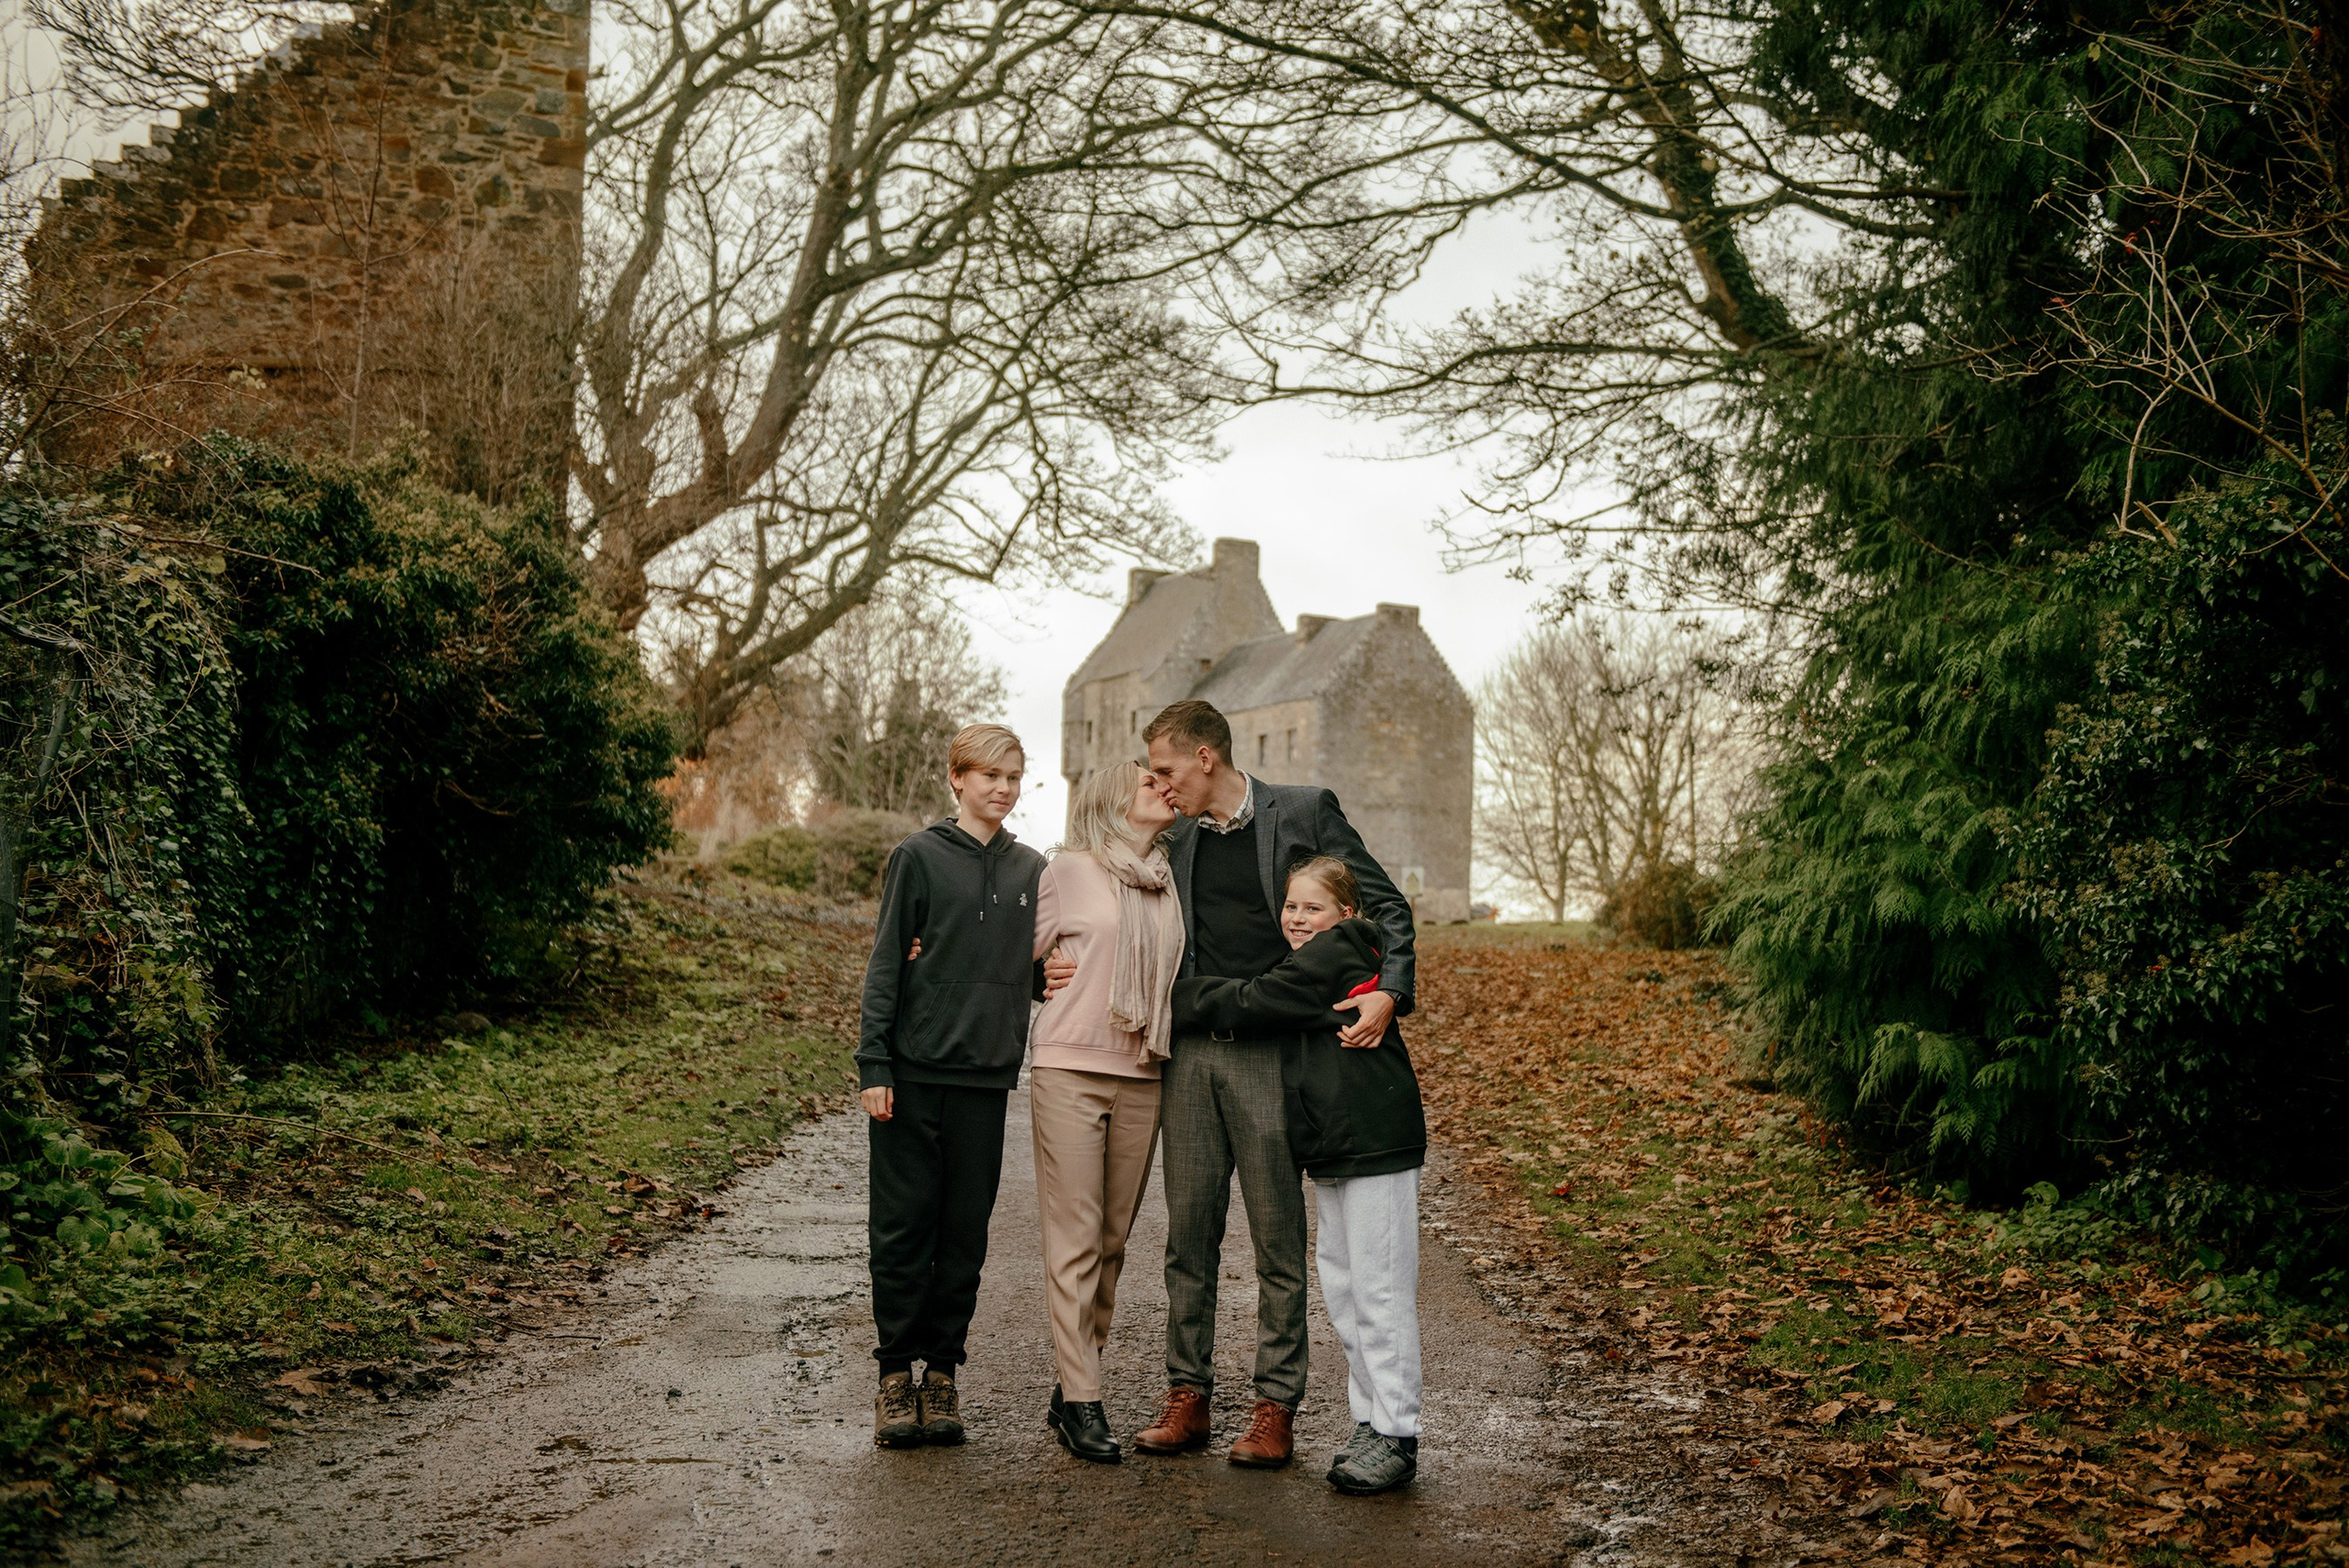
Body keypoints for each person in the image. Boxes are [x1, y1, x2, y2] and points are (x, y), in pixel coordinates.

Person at [1119, 698, 1417, 1470]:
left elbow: (1382, 903)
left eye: (1166, 768)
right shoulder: (1172, 832)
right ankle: (1187, 1393)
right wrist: (1043, 963)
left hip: (1271, 1052)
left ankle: (1274, 1406)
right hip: (1187, 1054)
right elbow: (1105, 896)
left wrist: (1390, 989)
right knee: (1189, 1233)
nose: (1159, 783)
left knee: (1279, 1238)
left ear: (1205, 758)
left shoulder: (1303, 810)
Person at [1173, 855, 1427, 1496]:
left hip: (1376, 1139)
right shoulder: (1316, 954)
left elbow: (1256, 999)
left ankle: (1396, 1433)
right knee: (1344, 1286)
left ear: (1345, 913)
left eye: (1311, 906)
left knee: (1380, 1290)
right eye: (1290, 906)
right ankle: (1370, 1420)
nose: (1296, 917)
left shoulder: (1338, 950)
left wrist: (1169, 994)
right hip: (1340, 1145)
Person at [854, 723, 1044, 1450]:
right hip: (911, 1074)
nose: (1001, 787)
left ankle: (943, 1376)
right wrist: (875, 1062)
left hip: (985, 1079)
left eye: (1013, 775)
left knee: (964, 1234)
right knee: (903, 1231)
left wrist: (1044, 978)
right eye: (988, 774)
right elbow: (886, 965)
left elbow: (1015, 963)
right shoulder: (919, 857)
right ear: (956, 779)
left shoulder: (1031, 868)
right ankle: (895, 1377)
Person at [1025, 761, 1184, 1464]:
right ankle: (1085, 1400)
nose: (1162, 786)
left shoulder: (1167, 876)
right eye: (1147, 781)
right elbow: (1009, 957)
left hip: (1144, 1070)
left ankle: (1071, 1381)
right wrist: (1037, 975)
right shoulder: (1067, 869)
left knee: (1113, 1241)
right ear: (1113, 799)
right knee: (1078, 1235)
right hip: (1070, 1067)